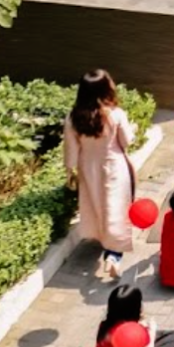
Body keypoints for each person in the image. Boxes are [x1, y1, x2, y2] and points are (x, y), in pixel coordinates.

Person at [62, 70, 137, 282]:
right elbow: (126, 141)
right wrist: (132, 129)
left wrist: (70, 171)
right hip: (114, 165)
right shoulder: (115, 114)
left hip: (89, 167)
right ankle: (113, 256)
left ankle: (103, 241)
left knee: (95, 206)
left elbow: (71, 151)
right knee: (116, 209)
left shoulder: (73, 117)